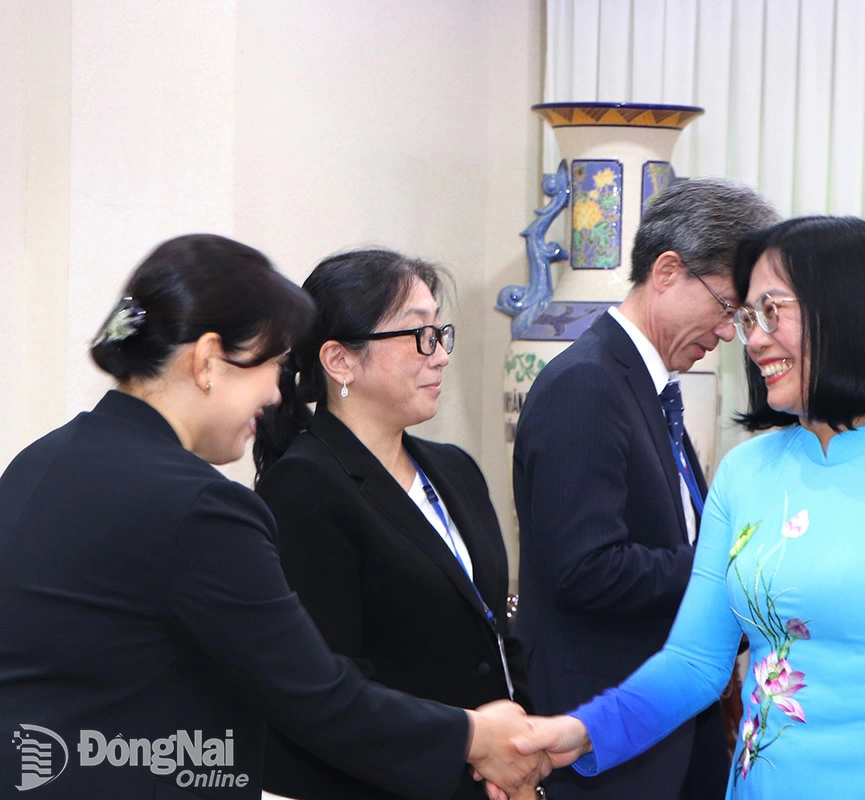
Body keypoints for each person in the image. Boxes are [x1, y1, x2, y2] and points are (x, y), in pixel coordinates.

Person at [0, 235, 547, 800]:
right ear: (210, 361)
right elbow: (316, 693)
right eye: (274, 364)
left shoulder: (40, 461)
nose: (277, 393)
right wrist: (473, 735)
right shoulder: (201, 508)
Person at [512, 216, 865, 800]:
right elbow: (694, 664)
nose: (752, 339)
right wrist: (581, 732)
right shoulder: (745, 472)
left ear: (847, 313)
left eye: (771, 313)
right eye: (748, 316)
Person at [512, 178, 779, 799]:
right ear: (666, 271)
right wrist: (729, 572)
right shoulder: (587, 385)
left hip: (672, 725)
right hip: (598, 730)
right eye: (728, 308)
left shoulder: (648, 388)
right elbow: (587, 568)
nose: (728, 333)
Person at [252, 249, 529, 800]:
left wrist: (522, 746)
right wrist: (473, 746)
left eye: (440, 333)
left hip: (487, 778)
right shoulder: (304, 487)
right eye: (417, 336)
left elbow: (492, 631)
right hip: (386, 782)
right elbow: (329, 686)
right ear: (340, 361)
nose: (440, 356)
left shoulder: (455, 468)